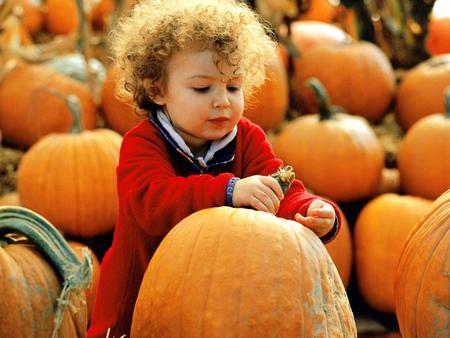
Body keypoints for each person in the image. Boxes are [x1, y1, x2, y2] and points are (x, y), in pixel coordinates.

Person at [88, 0, 341, 336]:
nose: (222, 100)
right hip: (141, 298)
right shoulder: (143, 143)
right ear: (156, 89)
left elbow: (280, 189)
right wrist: (230, 190)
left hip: (216, 298)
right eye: (203, 88)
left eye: (233, 87)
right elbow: (152, 203)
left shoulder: (247, 138)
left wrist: (313, 210)